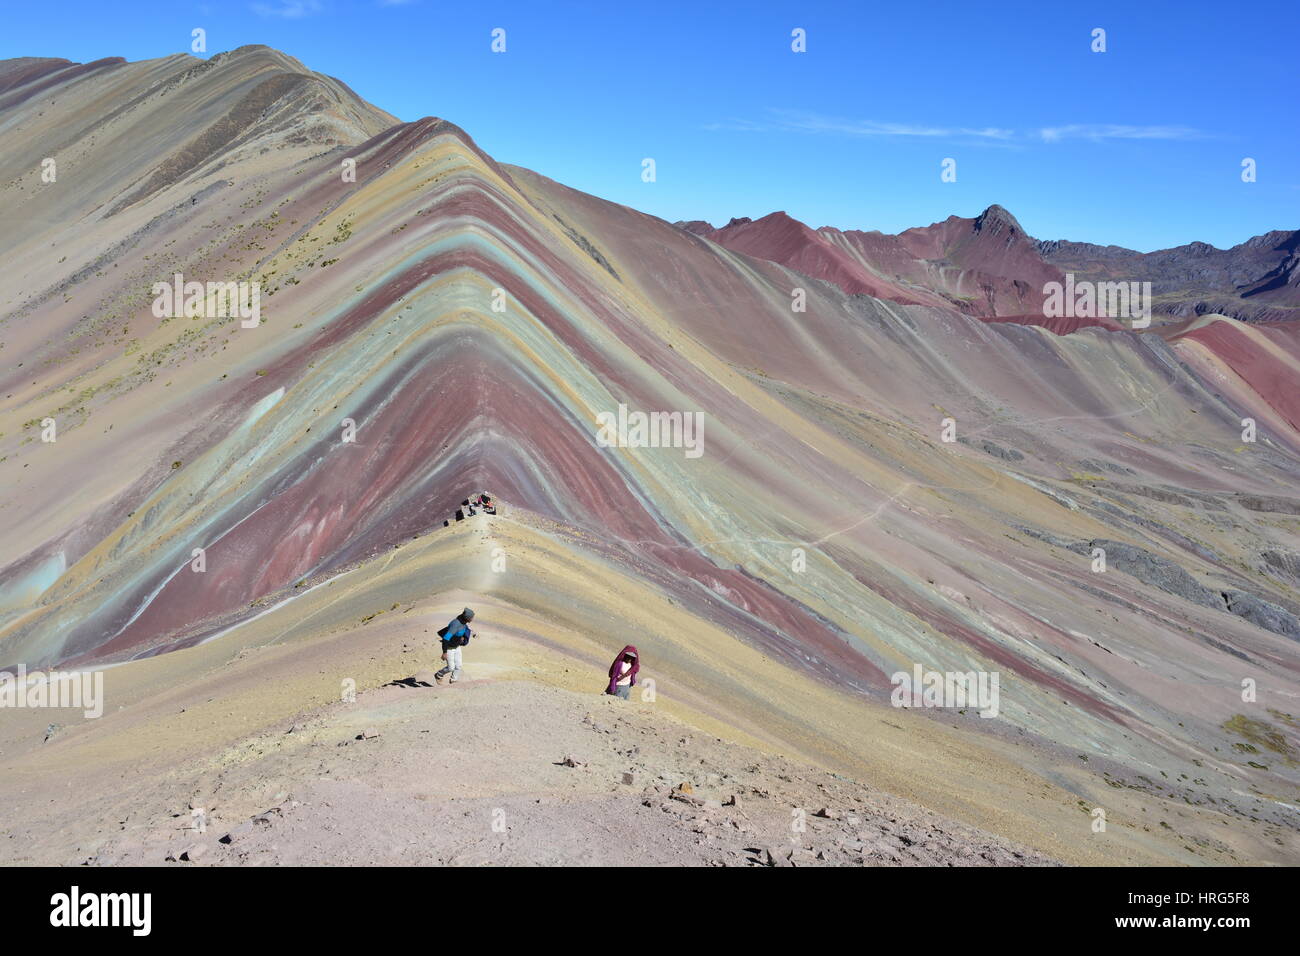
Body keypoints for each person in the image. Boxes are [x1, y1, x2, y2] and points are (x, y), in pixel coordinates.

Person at [435, 608, 475, 684]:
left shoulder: (463, 622)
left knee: (459, 666)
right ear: (467, 617)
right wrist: (444, 652)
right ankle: (439, 675)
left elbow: (462, 631)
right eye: (472, 617)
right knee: (451, 668)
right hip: (449, 648)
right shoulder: (455, 624)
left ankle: (454, 680)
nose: (473, 619)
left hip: (457, 647)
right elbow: (445, 639)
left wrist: (462, 637)